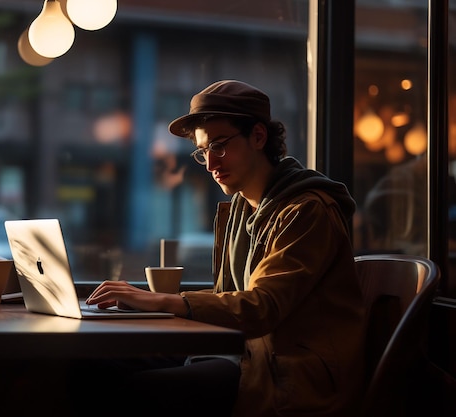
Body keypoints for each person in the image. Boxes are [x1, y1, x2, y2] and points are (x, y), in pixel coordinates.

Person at [85, 80, 366, 417]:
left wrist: (159, 300)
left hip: (289, 371)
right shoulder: (240, 209)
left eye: (218, 145)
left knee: (142, 390)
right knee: (93, 365)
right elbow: (231, 299)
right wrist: (143, 303)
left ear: (259, 137)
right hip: (245, 352)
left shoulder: (307, 210)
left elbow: (262, 307)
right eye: (203, 151)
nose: (209, 162)